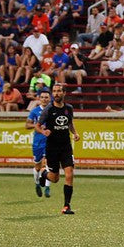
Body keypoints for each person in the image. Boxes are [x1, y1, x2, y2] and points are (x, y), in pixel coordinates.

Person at [36, 83, 80, 215]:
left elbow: (70, 123)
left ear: (64, 93)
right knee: (55, 179)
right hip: (52, 148)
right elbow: (37, 126)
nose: (56, 93)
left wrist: (75, 133)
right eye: (54, 91)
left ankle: (66, 206)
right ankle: (43, 174)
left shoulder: (69, 108)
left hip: (66, 147)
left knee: (69, 174)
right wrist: (43, 132)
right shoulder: (48, 110)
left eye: (59, 91)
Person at [26, 90, 52, 198]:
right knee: (37, 166)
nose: (44, 99)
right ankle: (37, 183)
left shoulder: (53, 110)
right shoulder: (35, 111)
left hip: (50, 142)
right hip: (38, 142)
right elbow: (27, 125)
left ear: (50, 98)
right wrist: (37, 126)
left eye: (46, 97)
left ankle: (47, 188)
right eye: (42, 97)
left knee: (48, 164)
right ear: (39, 99)